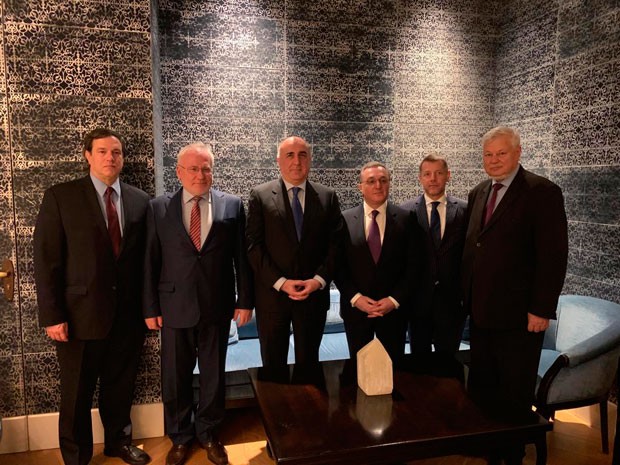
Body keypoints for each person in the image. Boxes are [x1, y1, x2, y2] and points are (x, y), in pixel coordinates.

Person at [33, 128, 151, 465]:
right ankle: (76, 456)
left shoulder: (141, 200)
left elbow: (145, 261)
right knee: (76, 393)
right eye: (102, 151)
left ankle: (119, 442)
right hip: (78, 317)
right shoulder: (61, 197)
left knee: (120, 386)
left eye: (116, 152)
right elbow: (47, 260)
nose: (110, 158)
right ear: (88, 155)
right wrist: (52, 316)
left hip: (127, 316)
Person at [461, 126, 568, 465]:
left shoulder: (542, 192)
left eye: (501, 153)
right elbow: (475, 247)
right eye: (488, 155)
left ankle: (512, 453)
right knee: (485, 387)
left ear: (518, 152)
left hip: (520, 318)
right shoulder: (478, 192)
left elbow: (553, 256)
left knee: (514, 391)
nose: (493, 160)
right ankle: (491, 448)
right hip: (481, 314)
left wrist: (541, 309)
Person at [143, 143, 253, 465]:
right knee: (175, 377)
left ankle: (209, 433)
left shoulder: (232, 205)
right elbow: (150, 261)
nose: (200, 175)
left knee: (213, 376)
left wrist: (245, 300)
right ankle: (180, 436)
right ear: (179, 172)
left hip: (217, 306)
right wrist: (150, 307)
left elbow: (241, 258)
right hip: (173, 306)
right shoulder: (158, 208)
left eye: (206, 168)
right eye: (193, 168)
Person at [246, 136, 342, 367]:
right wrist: (281, 282)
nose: (297, 161)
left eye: (302, 155)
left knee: (309, 367)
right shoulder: (260, 195)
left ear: (310, 159)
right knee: (272, 369)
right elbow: (253, 247)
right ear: (278, 160)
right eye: (290, 155)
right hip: (272, 299)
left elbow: (336, 245)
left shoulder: (328, 196)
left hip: (313, 298)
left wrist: (318, 280)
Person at [335, 161, 419, 364]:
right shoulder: (344, 220)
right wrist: (356, 299)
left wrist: (394, 300)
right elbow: (338, 266)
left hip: (393, 313)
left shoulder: (407, 219)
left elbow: (414, 266)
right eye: (371, 181)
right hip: (356, 312)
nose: (378, 186)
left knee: (394, 369)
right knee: (358, 370)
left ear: (389, 183)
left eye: (383, 180)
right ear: (360, 187)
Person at [401, 153, 467, 358]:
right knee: (419, 361)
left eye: (438, 173)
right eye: (427, 174)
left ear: (448, 175)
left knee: (448, 362)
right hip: (417, 302)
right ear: (420, 178)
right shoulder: (405, 212)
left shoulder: (465, 210)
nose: (433, 179)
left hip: (452, 303)